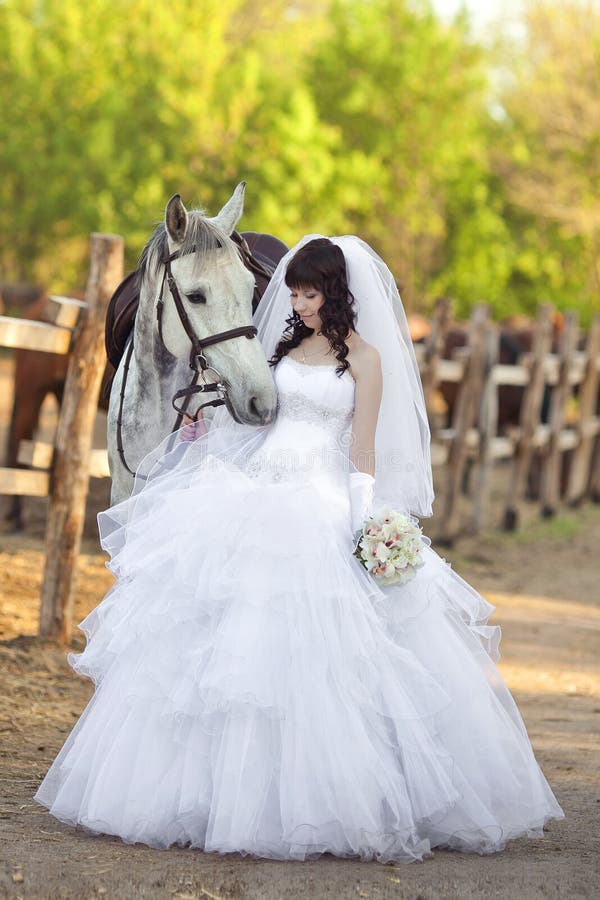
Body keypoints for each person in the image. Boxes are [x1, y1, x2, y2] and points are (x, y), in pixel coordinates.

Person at [34, 235, 564, 863]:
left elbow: (362, 449)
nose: (299, 302)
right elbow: (252, 416)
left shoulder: (364, 360)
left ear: (335, 292)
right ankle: (203, 795)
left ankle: (316, 802)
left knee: (322, 658)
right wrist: (206, 428)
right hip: (255, 493)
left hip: (320, 501)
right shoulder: (280, 347)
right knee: (221, 650)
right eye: (294, 292)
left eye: (310, 293)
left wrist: (365, 524)